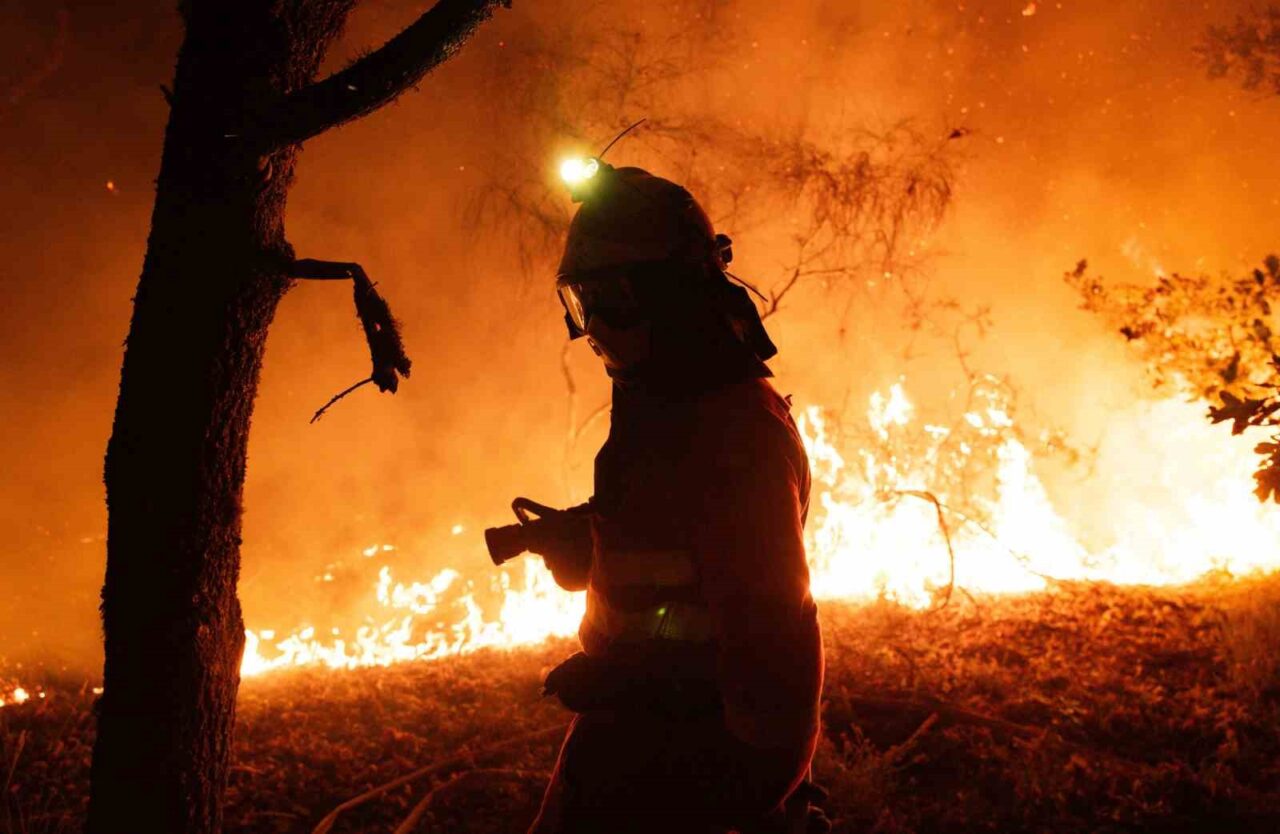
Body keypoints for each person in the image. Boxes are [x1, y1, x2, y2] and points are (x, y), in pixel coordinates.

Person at [524, 162, 826, 834]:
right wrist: (592, 542)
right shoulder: (661, 401)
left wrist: (636, 691)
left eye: (613, 299)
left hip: (700, 779)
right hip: (625, 751)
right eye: (581, 301)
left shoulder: (735, 432)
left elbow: (772, 647)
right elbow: (673, 552)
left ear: (672, 295)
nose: (595, 325)